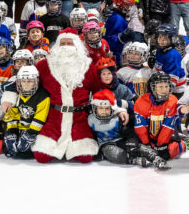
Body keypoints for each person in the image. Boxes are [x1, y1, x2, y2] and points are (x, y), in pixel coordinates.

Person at [31, 32, 125, 164]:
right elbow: (27, 83)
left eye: (70, 43)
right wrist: (10, 96)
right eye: (62, 43)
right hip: (54, 118)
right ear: (56, 46)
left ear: (77, 46)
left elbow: (101, 91)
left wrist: (117, 108)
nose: (66, 46)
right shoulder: (44, 66)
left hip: (79, 118)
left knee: (85, 157)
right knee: (41, 156)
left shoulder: (88, 66)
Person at [133, 72, 183, 168]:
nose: (164, 90)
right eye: (160, 87)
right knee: (135, 147)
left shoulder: (173, 101)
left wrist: (161, 146)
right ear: (153, 88)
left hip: (167, 136)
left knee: (171, 150)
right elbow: (140, 126)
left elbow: (168, 127)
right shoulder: (141, 101)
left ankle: (185, 143)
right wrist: (146, 144)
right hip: (149, 137)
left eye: (166, 86)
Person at [2, 65, 50, 159]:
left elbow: (40, 118)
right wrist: (12, 131)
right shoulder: (16, 95)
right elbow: (13, 114)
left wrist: (30, 134)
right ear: (19, 82)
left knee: (27, 152)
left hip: (34, 131)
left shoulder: (43, 96)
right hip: (20, 129)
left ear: (36, 81)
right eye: (23, 81)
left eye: (30, 81)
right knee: (9, 149)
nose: (26, 84)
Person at [87, 89, 137, 165]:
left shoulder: (116, 119)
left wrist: (132, 141)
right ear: (95, 108)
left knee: (136, 146)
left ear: (112, 108)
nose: (104, 111)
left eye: (107, 108)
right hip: (105, 144)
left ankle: (150, 154)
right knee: (111, 152)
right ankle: (132, 159)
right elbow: (91, 136)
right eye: (101, 108)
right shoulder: (91, 120)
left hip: (120, 141)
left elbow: (128, 132)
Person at [153, 23, 187, 92]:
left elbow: (173, 77)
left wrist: (165, 91)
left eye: (165, 38)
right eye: (160, 37)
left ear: (172, 39)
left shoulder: (173, 55)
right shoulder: (160, 50)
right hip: (162, 82)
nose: (161, 41)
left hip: (177, 89)